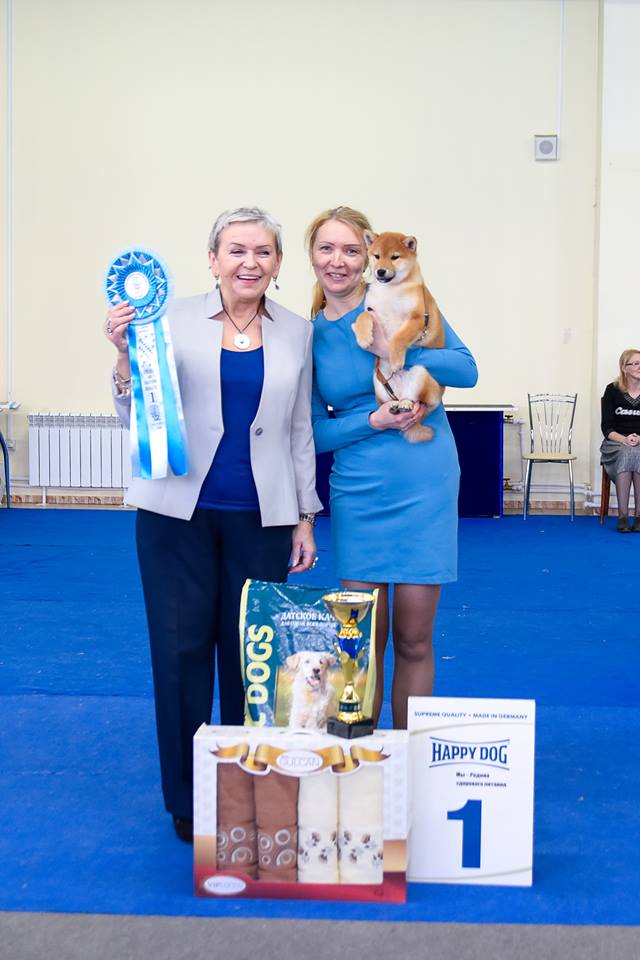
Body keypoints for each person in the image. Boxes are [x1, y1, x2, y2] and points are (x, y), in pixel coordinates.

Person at [105, 207, 322, 841]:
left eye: (263, 252)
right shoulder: (164, 320)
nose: (249, 262)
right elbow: (134, 414)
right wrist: (123, 357)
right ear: (213, 259)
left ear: (278, 264)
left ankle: (249, 781)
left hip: (263, 517)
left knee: (253, 658)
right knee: (180, 652)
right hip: (175, 515)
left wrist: (305, 516)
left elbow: (300, 430)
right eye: (236, 250)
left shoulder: (298, 332)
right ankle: (187, 796)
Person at [307, 206, 478, 729]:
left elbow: (467, 369)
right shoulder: (306, 336)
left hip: (426, 480)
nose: (338, 260)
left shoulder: (408, 300)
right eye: (326, 248)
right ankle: (359, 755)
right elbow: (313, 433)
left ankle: (410, 759)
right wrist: (372, 421)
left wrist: (400, 351)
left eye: (350, 250)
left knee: (414, 638)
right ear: (311, 256)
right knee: (361, 642)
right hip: (359, 490)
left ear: (369, 255)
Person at [600, 348, 640, 533]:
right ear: (624, 368)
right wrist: (625, 439)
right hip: (615, 443)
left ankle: (638, 516)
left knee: (636, 452)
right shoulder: (612, 390)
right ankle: (623, 516)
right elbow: (606, 428)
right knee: (628, 451)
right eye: (636, 363)